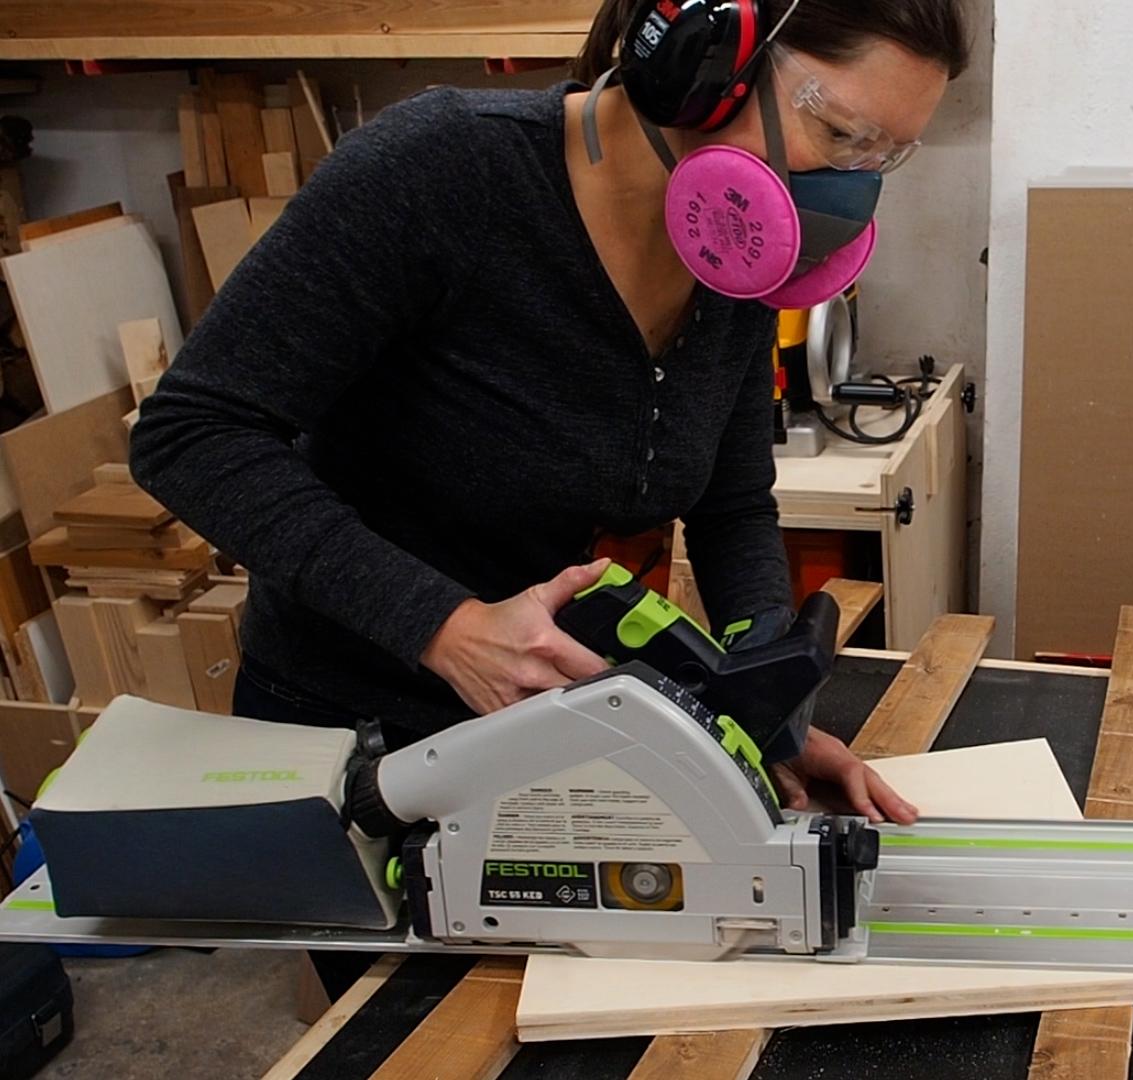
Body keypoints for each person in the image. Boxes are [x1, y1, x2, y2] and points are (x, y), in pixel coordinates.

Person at [130, 0, 969, 831]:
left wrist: (761, 701)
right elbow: (194, 433)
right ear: (705, 63)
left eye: (887, 156)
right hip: (357, 737)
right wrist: (443, 626)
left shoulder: (734, 252)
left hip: (551, 731)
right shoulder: (445, 170)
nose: (851, 184)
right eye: (843, 135)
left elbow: (731, 501)